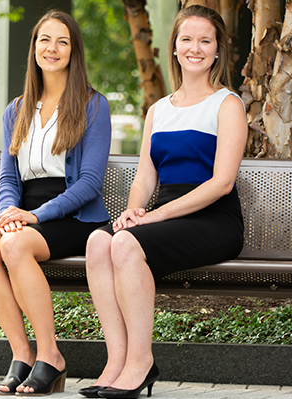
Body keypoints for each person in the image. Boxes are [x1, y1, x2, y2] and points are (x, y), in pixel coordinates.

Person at [80, 5, 247, 399]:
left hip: (214, 219)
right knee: (99, 241)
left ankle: (141, 363)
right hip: (165, 216)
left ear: (218, 50)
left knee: (124, 242)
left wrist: (154, 217)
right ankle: (117, 361)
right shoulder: (158, 110)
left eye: (205, 41)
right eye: (187, 39)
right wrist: (134, 210)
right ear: (174, 47)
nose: (195, 48)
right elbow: (144, 177)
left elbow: (222, 183)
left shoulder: (227, 104)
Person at [0, 10, 111, 396]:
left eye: (62, 41)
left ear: (73, 51)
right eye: (45, 40)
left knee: (14, 245)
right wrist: (10, 213)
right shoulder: (16, 110)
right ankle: (23, 354)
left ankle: (52, 355)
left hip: (74, 216)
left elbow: (89, 184)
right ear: (34, 48)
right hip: (26, 214)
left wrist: (33, 216)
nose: (52, 48)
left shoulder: (93, 106)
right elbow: (9, 178)